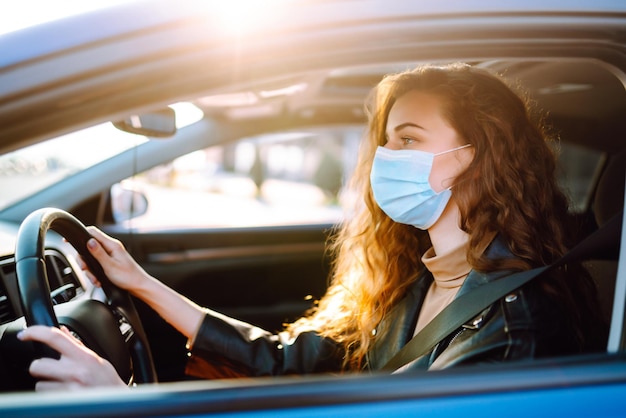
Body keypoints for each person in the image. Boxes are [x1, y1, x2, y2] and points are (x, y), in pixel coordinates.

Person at [18, 63, 606, 390]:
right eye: (385, 142)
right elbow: (288, 362)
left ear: (480, 157)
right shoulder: (420, 278)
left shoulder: (517, 328)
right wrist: (142, 283)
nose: (386, 159)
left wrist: (118, 404)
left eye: (408, 141)